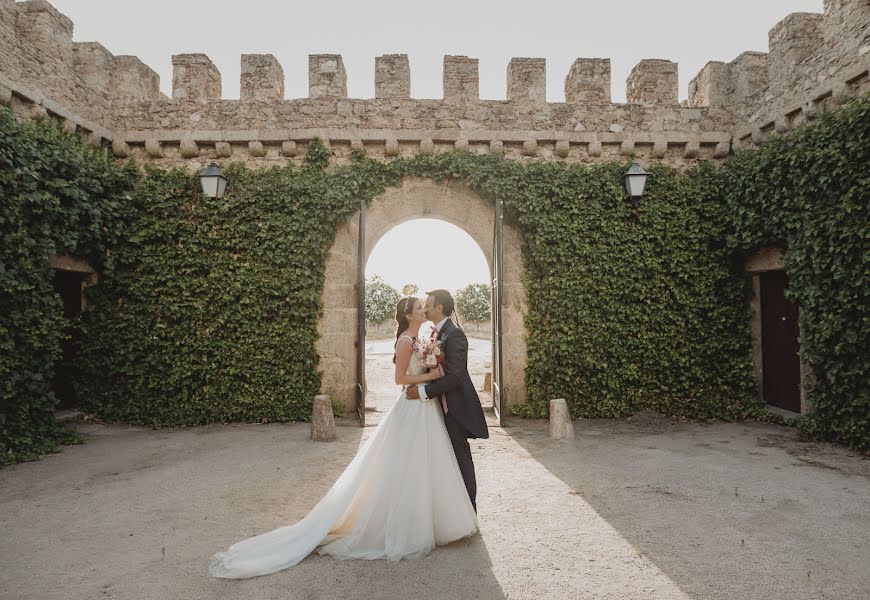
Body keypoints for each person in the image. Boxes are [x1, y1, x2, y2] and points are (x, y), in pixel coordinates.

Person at [207, 296, 478, 579]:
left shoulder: (423, 337)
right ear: (409, 315)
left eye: (426, 305)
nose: (425, 309)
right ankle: (403, 524)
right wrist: (429, 376)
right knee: (403, 465)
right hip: (411, 406)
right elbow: (400, 379)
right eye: (420, 307)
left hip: (426, 410)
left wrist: (431, 373)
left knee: (427, 463)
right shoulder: (406, 341)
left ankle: (429, 521)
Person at [405, 289, 489, 512]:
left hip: (455, 407)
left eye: (429, 304)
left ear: (439, 307)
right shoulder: (434, 333)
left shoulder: (455, 334)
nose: (426, 308)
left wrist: (423, 392)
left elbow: (456, 375)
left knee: (460, 458)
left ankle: (469, 511)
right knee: (444, 459)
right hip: (438, 407)